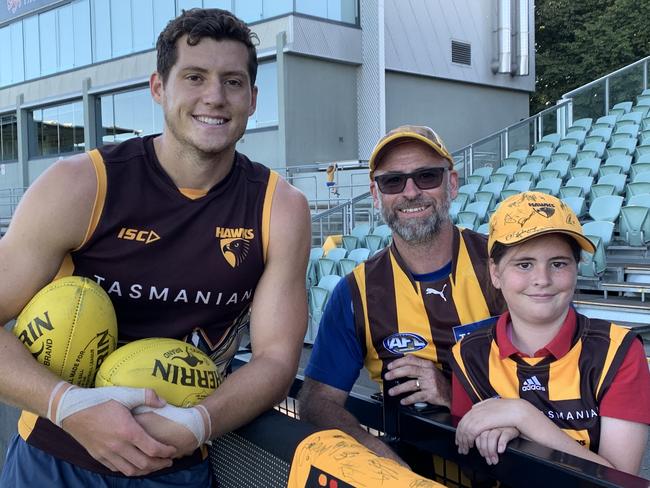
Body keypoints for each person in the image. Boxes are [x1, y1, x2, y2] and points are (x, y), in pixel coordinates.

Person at [0, 8, 310, 487]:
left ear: (253, 98)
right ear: (159, 89)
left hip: (175, 465)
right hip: (54, 456)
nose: (214, 96)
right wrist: (65, 403)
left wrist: (198, 423)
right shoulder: (80, 185)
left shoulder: (279, 209)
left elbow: (275, 359)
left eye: (232, 81)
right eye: (194, 77)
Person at [298, 125, 505, 465]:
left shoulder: (503, 265)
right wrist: (385, 462)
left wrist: (453, 393)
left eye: (426, 176)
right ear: (376, 194)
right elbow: (316, 401)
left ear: (451, 183)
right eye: (392, 181)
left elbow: (559, 380)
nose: (410, 192)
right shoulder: (356, 292)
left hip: (518, 471)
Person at [452, 191, 650, 474]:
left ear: (576, 269)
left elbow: (619, 481)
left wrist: (524, 418)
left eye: (558, 264)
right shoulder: (468, 355)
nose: (542, 280)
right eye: (524, 264)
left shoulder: (618, 352)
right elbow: (466, 461)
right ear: (495, 273)